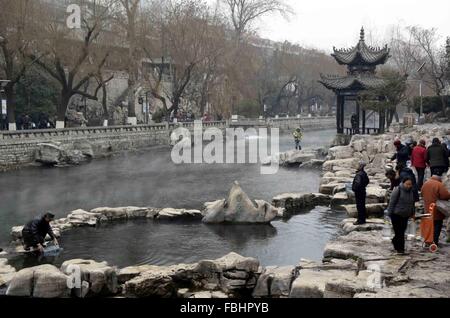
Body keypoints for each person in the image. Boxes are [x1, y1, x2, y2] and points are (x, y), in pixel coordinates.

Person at [387, 177, 416, 254]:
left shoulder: (411, 191)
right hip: (396, 214)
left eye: (410, 184)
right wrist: (389, 214)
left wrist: (413, 213)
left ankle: (395, 243)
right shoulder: (397, 190)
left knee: (401, 232)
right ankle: (401, 250)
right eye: (407, 184)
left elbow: (412, 203)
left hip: (405, 215)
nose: (409, 186)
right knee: (399, 233)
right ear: (403, 183)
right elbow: (392, 202)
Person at [421, 174, 450, 246]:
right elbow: (445, 195)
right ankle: (434, 242)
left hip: (427, 208)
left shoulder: (425, 183)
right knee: (437, 226)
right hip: (437, 209)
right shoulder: (439, 184)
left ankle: (427, 241)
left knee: (429, 226)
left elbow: (421, 194)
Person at [352, 161, 370, 225]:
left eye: (357, 165)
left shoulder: (359, 174)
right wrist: (363, 186)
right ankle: (363, 219)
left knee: (359, 206)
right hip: (363, 191)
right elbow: (367, 181)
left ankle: (360, 220)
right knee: (362, 205)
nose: (356, 166)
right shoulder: (364, 173)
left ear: (360, 166)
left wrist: (354, 189)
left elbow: (358, 183)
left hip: (359, 192)